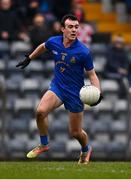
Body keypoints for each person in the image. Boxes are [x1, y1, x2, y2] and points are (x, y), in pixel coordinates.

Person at [16, 14, 102, 164]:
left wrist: (97, 92)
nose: (74, 30)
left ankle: (86, 149)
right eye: (70, 27)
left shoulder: (83, 51)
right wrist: (29, 58)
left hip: (75, 93)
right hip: (58, 87)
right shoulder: (54, 42)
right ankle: (44, 144)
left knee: (75, 133)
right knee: (40, 112)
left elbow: (92, 75)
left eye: (76, 27)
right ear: (63, 29)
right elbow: (43, 46)